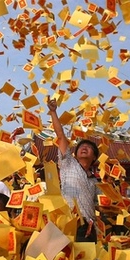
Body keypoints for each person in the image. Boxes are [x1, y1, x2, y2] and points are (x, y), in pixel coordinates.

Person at [47, 97, 101, 242]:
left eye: (89, 148)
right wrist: (53, 112)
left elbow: (100, 204)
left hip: (89, 226)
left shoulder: (95, 181)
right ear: (75, 153)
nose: (84, 148)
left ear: (94, 157)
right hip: (69, 221)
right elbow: (61, 136)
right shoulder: (69, 163)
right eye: (81, 147)